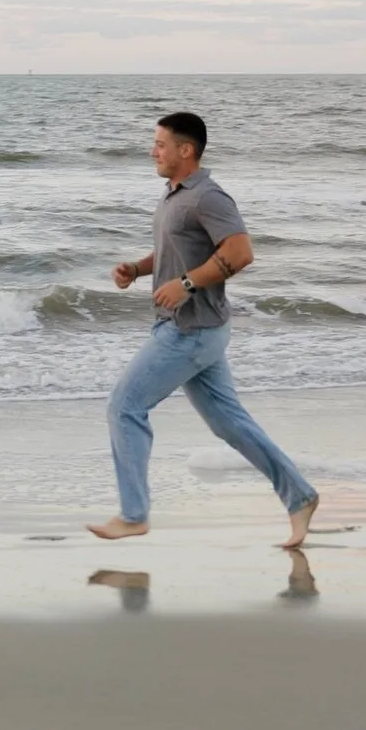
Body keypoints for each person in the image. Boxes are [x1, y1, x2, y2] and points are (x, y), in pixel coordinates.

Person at [89, 112, 319, 549]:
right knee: (231, 425)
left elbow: (241, 252)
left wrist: (188, 284)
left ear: (185, 150)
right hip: (199, 330)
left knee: (125, 406)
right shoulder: (174, 196)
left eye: (160, 144)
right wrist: (137, 269)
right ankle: (300, 496)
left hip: (190, 332)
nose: (152, 151)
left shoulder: (208, 197)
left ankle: (134, 515)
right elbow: (175, 251)